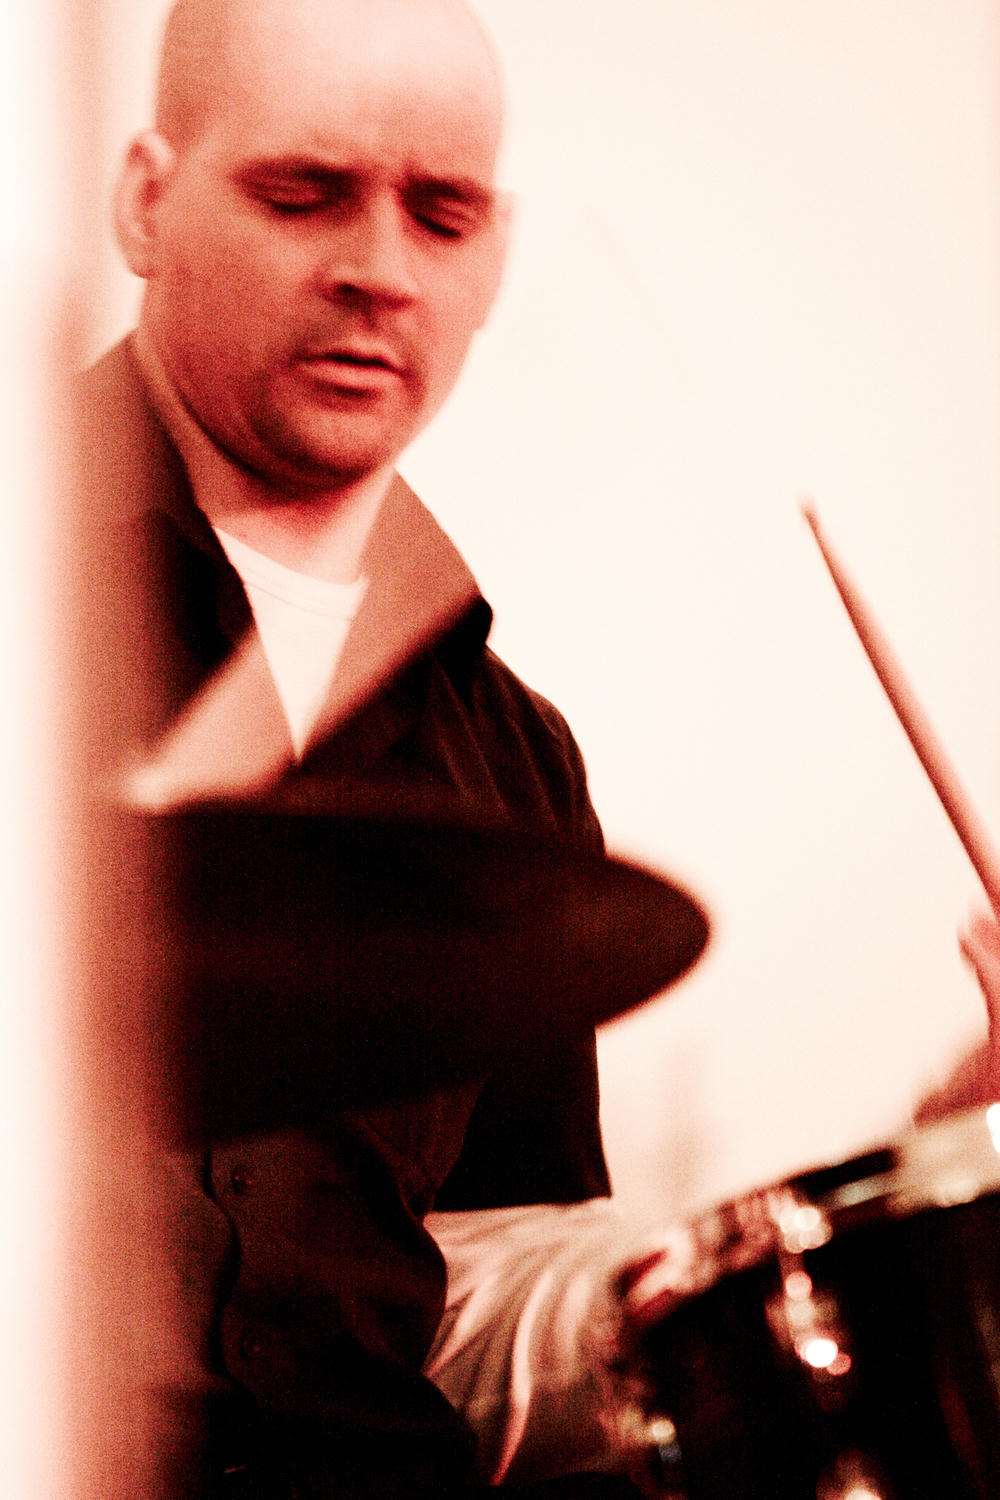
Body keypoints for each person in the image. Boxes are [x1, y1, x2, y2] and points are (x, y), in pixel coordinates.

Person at [75, 1, 671, 1495]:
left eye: (441, 215)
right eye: (303, 194)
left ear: (496, 254)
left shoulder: (516, 762)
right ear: (146, 202)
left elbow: (487, 1306)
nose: (380, 271)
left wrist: (929, 1188)